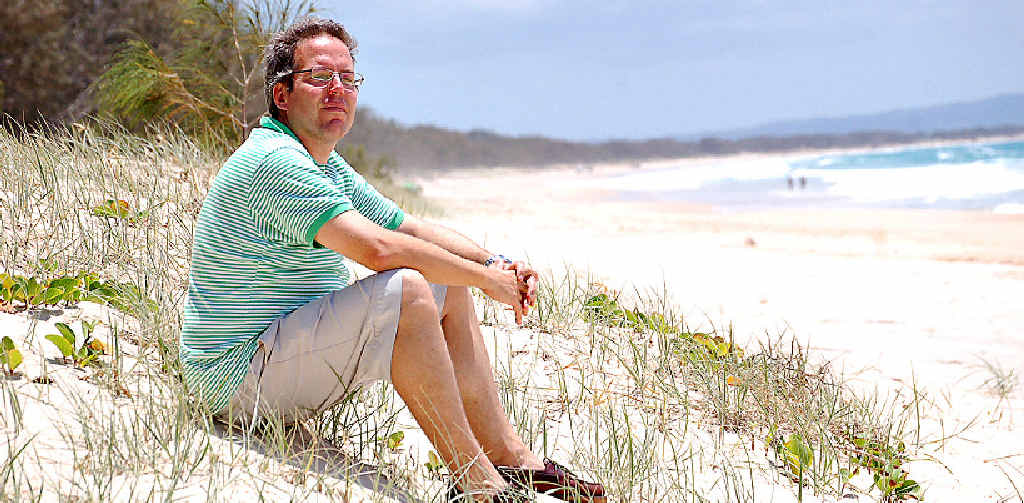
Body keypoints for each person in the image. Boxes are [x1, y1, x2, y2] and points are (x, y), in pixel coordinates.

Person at [179, 17, 606, 503]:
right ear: (282, 96)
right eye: (319, 77)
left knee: (445, 284)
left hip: (279, 356)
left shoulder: (322, 162)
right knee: (409, 288)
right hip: (236, 380)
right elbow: (379, 250)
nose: (337, 89)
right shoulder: (275, 163)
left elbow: (410, 228)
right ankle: (478, 486)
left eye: (348, 78)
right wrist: (488, 280)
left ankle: (511, 459)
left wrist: (498, 263)